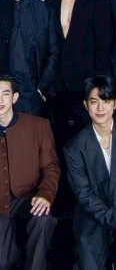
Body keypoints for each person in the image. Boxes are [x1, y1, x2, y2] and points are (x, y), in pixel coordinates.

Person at [0, 74, 60, 270]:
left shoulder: (39, 126)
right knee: (0, 262)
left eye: (5, 94)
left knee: (43, 218)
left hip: (30, 196)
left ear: (15, 97)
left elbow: (51, 167)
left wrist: (45, 194)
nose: (0, 100)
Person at [45, 0, 112, 147]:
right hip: (57, 88)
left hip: (85, 87)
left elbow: (103, 49)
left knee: (86, 143)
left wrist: (96, 88)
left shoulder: (97, 3)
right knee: (59, 143)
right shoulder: (50, 2)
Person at [0, 0, 60, 115]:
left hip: (32, 89)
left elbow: (54, 53)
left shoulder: (44, 10)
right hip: (2, 89)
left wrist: (41, 89)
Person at [64, 75, 116, 270]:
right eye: (94, 102)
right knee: (89, 260)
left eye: (106, 101)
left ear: (114, 104)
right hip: (93, 215)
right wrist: (111, 218)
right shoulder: (74, 147)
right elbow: (83, 194)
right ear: (86, 105)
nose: (100, 108)